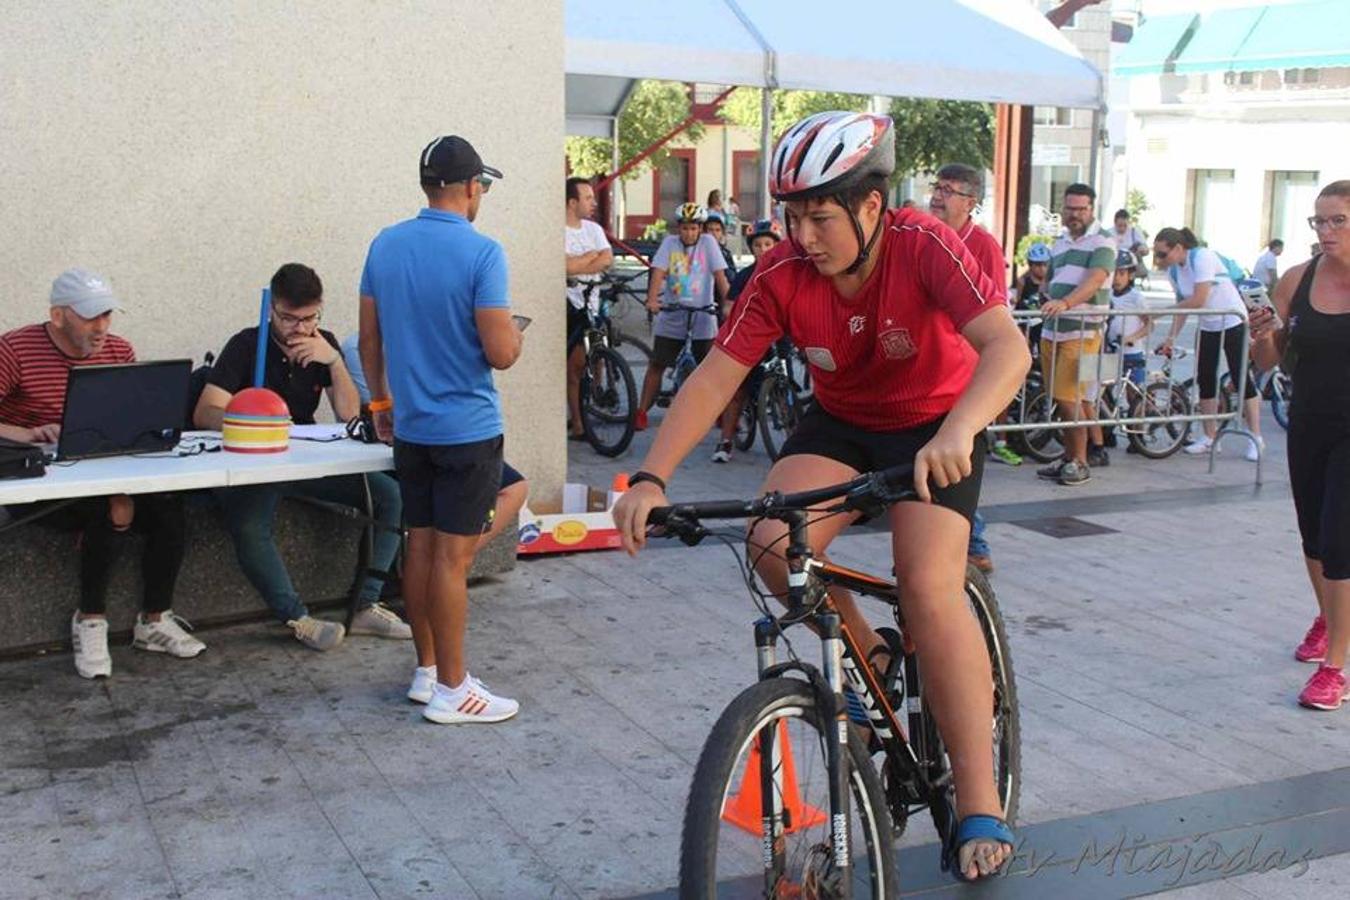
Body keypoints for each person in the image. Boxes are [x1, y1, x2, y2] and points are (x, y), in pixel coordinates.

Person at [612, 110, 1031, 881]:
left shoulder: (923, 244)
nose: (803, 236)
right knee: (773, 544)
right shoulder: (781, 277)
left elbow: (1007, 346)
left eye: (820, 217)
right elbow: (716, 376)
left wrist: (961, 430)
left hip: (936, 426)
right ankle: (868, 652)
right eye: (793, 217)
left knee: (931, 589)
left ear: (871, 206)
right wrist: (649, 477)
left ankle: (978, 796)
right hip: (841, 421)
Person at [359, 134, 524, 724]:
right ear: (472, 187)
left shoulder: (385, 245)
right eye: (483, 187)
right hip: (467, 429)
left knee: (421, 549)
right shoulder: (484, 254)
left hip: (412, 428)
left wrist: (380, 401)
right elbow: (500, 353)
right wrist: (517, 335)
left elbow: (369, 339)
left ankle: (428, 672)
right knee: (451, 562)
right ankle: (456, 690)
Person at [0, 268, 203, 678]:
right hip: (37, 482)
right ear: (58, 316)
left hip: (102, 468)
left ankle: (154, 620)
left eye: (107, 315)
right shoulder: (14, 350)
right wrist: (26, 432)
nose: (102, 327)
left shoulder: (119, 351)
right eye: (91, 316)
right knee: (112, 509)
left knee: (169, 503)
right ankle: (90, 620)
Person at [196, 263, 409, 651]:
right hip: (254, 461)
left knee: (388, 496)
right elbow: (206, 410)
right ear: (271, 310)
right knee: (247, 523)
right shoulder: (247, 345)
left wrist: (333, 361)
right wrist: (250, 416)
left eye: (309, 318)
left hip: (304, 458)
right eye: (289, 319)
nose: (300, 328)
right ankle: (296, 616)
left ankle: (366, 603)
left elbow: (347, 413)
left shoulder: (321, 343)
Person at [1250, 179, 1350, 710]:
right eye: (1319, 221)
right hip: (1308, 423)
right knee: (1313, 537)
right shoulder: (1297, 278)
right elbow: (1268, 362)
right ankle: (1328, 614)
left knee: (1339, 540)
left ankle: (1336, 666)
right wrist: (1262, 333)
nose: (1326, 231)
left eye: (1337, 221)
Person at [341, 331, 531, 592]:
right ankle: (446, 567)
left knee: (514, 488)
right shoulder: (360, 346)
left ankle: (451, 562)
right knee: (427, 537)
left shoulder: (430, 337)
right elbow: (362, 410)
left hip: (451, 434)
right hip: (409, 440)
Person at [927, 162, 1015, 574]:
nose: (938, 196)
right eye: (937, 187)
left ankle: (973, 544)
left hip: (965, 372)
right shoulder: (925, 238)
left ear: (971, 203)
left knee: (956, 456)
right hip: (930, 365)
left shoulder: (983, 246)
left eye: (949, 190)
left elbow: (996, 314)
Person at [1153, 227, 1264, 461]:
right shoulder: (1175, 272)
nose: (1160, 260)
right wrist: (1171, 337)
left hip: (1232, 319)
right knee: (1205, 377)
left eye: (1163, 254)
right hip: (1208, 325)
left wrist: (1159, 312)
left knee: (1240, 376)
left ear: (1178, 248)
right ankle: (1209, 436)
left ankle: (1256, 437)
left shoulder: (1202, 257)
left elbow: (1198, 299)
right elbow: (1184, 307)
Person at [1038, 184, 1115, 486]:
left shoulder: (1103, 242)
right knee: (1061, 399)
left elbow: (1096, 279)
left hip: (1082, 330)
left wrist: (1066, 302)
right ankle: (1069, 457)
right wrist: (1045, 295)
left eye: (1081, 209)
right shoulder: (1060, 241)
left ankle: (1080, 461)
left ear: (1091, 209)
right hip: (1052, 329)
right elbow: (1050, 279)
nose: (1074, 214)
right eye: (1070, 208)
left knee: (1071, 398)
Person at [636, 202, 730, 431]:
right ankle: (641, 412)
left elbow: (720, 276)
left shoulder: (709, 243)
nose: (689, 233)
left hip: (703, 315)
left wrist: (728, 303)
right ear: (679, 228)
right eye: (685, 228)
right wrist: (652, 300)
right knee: (657, 364)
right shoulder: (670, 243)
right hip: (672, 313)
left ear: (701, 229)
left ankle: (720, 414)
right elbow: (658, 272)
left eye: (694, 228)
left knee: (711, 369)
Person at [711, 219, 781, 463]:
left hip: (780, 338)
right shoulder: (744, 276)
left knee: (786, 381)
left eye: (768, 244)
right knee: (737, 392)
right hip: (751, 339)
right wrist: (740, 314)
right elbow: (728, 307)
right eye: (758, 245)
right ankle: (726, 441)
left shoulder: (787, 272)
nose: (763, 249)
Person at [564, 176, 614, 440]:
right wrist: (590, 258)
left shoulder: (593, 229)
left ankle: (595, 402)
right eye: (587, 198)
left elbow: (607, 259)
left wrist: (578, 262)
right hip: (569, 304)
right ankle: (579, 423)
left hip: (593, 303)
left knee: (597, 356)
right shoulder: (557, 230)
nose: (593, 202)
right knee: (574, 366)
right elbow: (565, 267)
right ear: (572, 202)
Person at [1017, 242, 1053, 354]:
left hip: (1043, 323)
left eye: (1045, 264)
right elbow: (1019, 300)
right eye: (1038, 265)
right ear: (1030, 265)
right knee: (1025, 351)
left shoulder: (1050, 283)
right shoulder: (1023, 281)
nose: (1042, 268)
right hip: (1027, 322)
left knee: (1045, 351)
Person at [703, 210, 738, 279]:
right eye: (710, 229)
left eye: (718, 230)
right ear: (704, 231)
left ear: (722, 233)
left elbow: (732, 277)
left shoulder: (725, 253)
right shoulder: (697, 250)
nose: (714, 233)